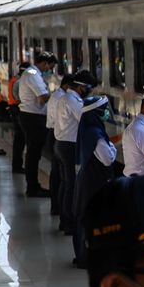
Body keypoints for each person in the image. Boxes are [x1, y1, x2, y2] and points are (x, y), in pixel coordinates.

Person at [72, 96, 117, 268]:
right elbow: (107, 158)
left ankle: (82, 255)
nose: (106, 113)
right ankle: (87, 257)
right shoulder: (96, 134)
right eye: (104, 110)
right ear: (96, 113)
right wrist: (112, 147)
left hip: (86, 180)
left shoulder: (87, 130)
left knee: (83, 217)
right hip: (95, 182)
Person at [53, 72, 96, 235]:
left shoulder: (65, 98)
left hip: (61, 144)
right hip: (69, 146)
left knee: (66, 183)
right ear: (80, 86)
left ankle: (64, 220)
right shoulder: (72, 101)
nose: (89, 91)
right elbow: (86, 120)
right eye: (88, 88)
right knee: (71, 185)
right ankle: (69, 221)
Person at [19, 52, 56, 197]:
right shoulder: (33, 74)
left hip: (31, 116)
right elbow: (42, 98)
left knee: (33, 153)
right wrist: (56, 95)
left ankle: (33, 185)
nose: (49, 70)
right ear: (45, 63)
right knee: (34, 154)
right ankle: (32, 187)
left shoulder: (31, 73)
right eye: (49, 66)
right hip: (33, 118)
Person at [46, 74, 75, 217]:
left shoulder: (58, 95)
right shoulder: (63, 98)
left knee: (58, 175)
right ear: (68, 85)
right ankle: (59, 208)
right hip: (58, 136)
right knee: (61, 177)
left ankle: (57, 207)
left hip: (56, 134)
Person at [8, 60, 29, 175]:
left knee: (19, 140)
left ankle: (17, 165)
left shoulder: (15, 79)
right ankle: (17, 166)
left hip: (14, 108)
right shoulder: (20, 82)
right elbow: (21, 98)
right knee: (20, 139)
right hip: (17, 109)